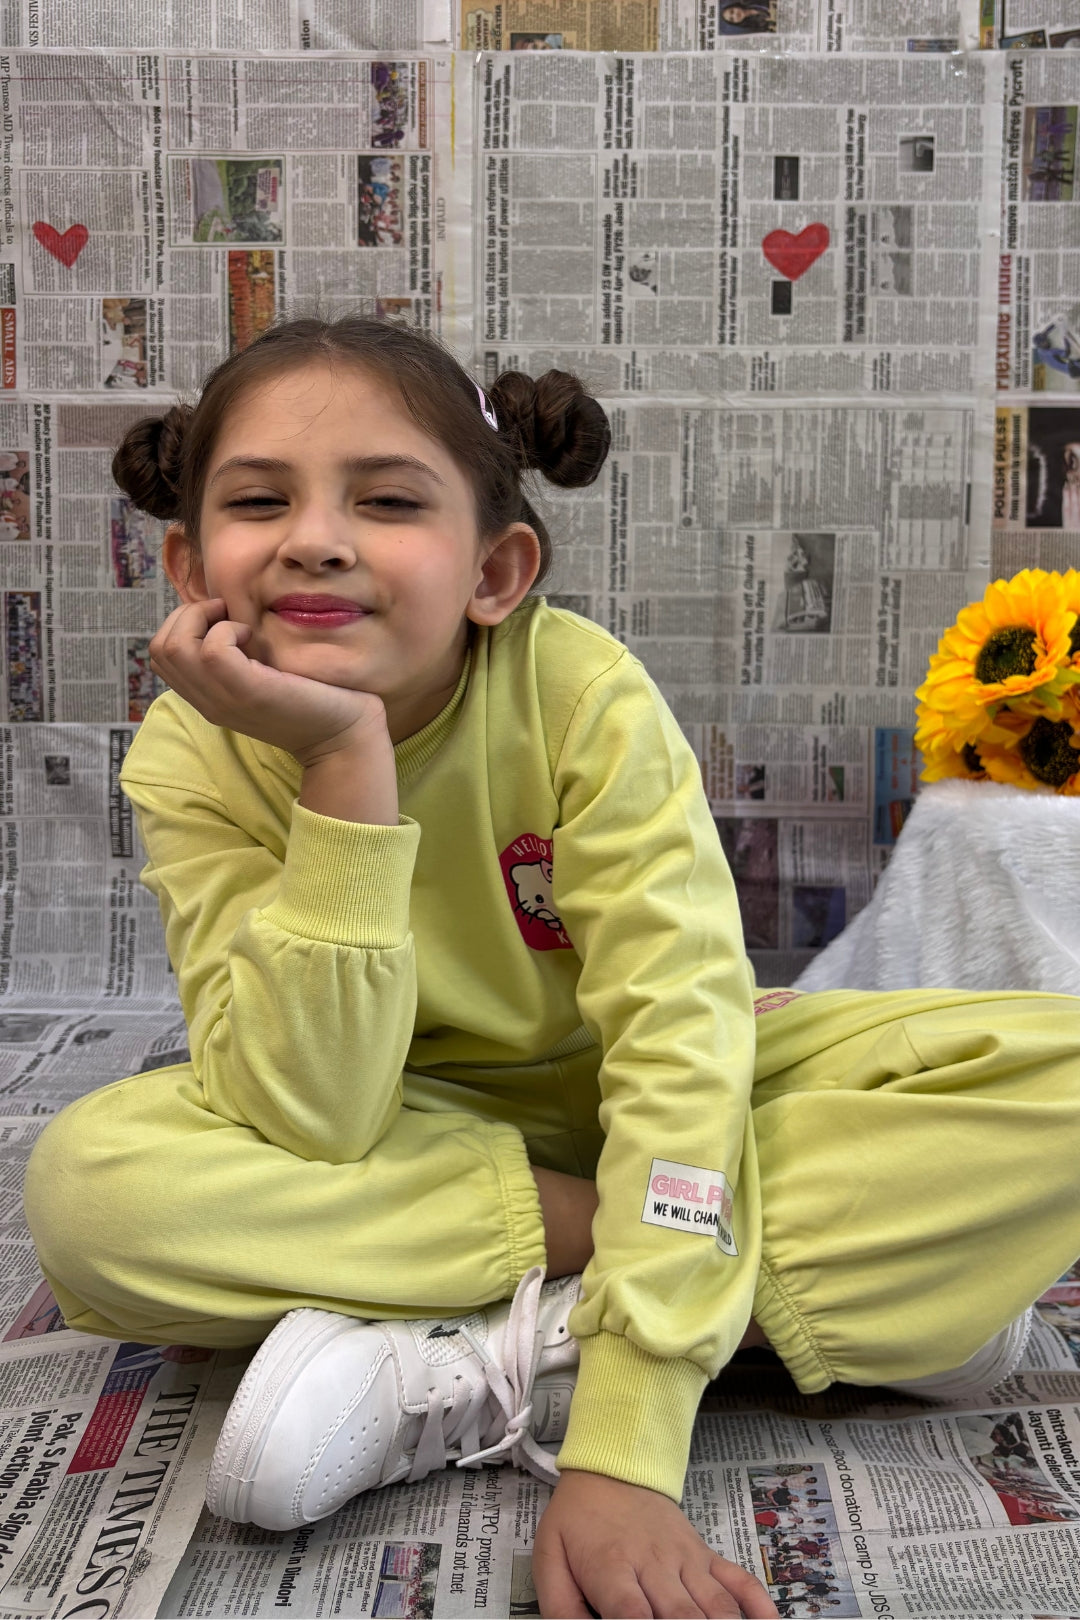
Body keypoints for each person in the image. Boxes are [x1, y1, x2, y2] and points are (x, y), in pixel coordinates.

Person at [22, 314, 1080, 1620]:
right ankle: (776, 1292)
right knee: (91, 1194)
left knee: (1057, 1080)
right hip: (393, 1142)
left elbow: (680, 1044)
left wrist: (627, 1447)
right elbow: (313, 1114)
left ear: (497, 569)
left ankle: (506, 1348)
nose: (315, 538)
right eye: (259, 501)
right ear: (190, 563)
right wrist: (343, 764)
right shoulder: (191, 754)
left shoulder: (582, 696)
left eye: (387, 500)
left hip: (638, 1092)